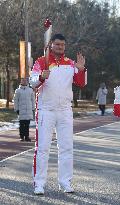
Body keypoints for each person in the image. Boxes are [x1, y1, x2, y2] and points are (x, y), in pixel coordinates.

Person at [29, 33, 87, 195]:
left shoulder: (70, 63)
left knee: (67, 147)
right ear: (51, 45)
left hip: (64, 110)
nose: (60, 47)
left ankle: (65, 182)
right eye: (57, 45)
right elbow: (32, 82)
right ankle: (39, 184)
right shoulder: (42, 62)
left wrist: (81, 70)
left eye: (62, 45)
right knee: (42, 148)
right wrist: (41, 76)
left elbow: (81, 83)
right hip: (46, 109)